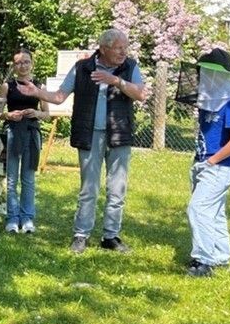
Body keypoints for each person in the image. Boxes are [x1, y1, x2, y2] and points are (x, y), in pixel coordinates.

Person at [19, 29, 148, 254]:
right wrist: (37, 92)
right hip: (90, 134)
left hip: (119, 134)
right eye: (118, 48)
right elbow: (59, 97)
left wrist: (116, 81)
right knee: (89, 188)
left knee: (117, 188)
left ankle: (111, 236)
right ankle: (81, 235)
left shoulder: (130, 66)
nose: (123, 52)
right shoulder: (83, 68)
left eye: (124, 48)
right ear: (104, 48)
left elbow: (140, 94)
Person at [185, 49, 230, 277]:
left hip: (220, 166)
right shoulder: (208, 102)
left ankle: (203, 261)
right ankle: (221, 256)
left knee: (198, 208)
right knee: (215, 211)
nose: (202, 78)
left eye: (207, 73)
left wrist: (211, 161)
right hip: (204, 163)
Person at [0, 48, 48, 234]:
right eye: (19, 62)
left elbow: (47, 114)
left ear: (32, 63)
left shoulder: (38, 86)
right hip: (13, 133)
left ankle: (27, 217)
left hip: (31, 133)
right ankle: (12, 217)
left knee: (28, 179)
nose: (23, 66)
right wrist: (8, 115)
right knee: (11, 179)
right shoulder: (8, 85)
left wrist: (36, 113)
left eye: (26, 62)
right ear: (14, 66)